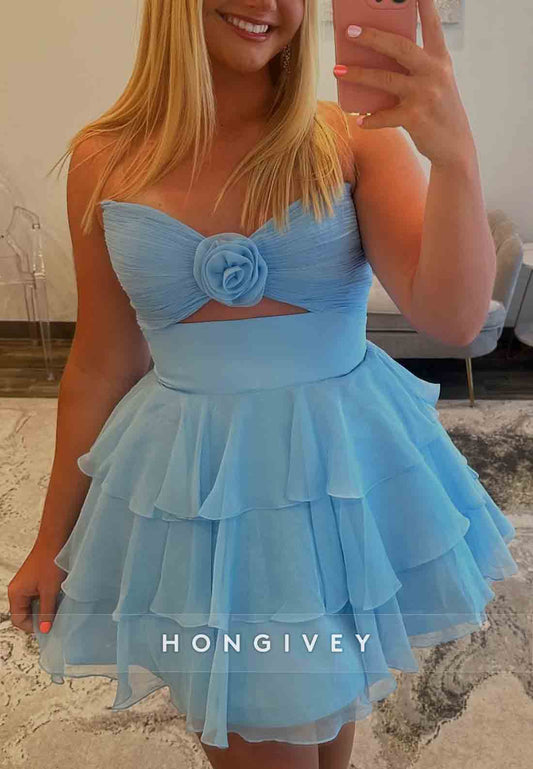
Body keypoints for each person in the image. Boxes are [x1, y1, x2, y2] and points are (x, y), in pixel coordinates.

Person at [7, 1, 519, 768]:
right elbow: (102, 361)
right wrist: (51, 540)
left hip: (340, 483)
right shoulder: (103, 158)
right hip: (203, 500)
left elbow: (452, 319)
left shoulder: (350, 139)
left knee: (320, 715)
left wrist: (455, 157)